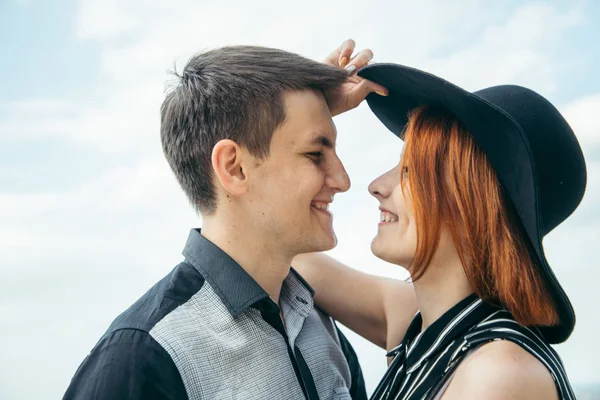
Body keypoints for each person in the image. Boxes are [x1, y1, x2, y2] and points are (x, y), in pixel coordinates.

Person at [62, 42, 390, 400]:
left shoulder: (318, 325)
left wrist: (303, 107)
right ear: (233, 167)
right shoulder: (143, 356)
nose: (342, 180)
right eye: (315, 154)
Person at [293, 62, 585, 399]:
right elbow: (285, 253)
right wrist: (309, 114)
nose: (377, 186)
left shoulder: (496, 374)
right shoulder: (422, 322)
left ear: (474, 203)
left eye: (411, 171)